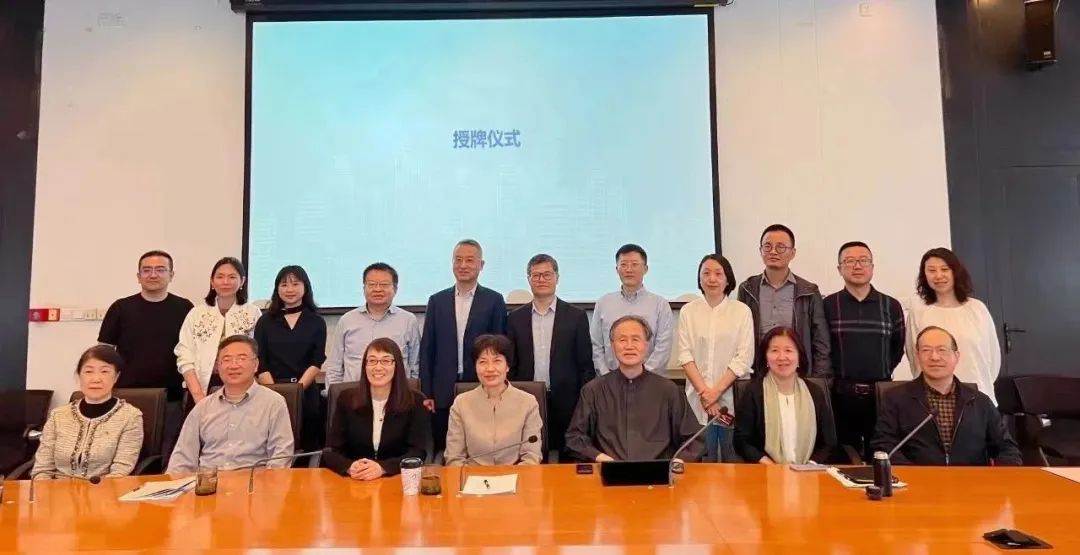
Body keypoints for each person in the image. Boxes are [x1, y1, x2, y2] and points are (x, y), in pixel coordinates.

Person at [873, 326, 1020, 466]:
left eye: (942, 350)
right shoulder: (896, 399)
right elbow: (884, 446)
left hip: (971, 481)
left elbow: (1007, 449)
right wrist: (914, 475)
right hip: (916, 480)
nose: (934, 357)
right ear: (917, 356)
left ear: (956, 356)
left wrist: (1001, 477)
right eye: (926, 350)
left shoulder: (980, 402)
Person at [566, 316, 703, 462]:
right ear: (612, 346)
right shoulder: (593, 391)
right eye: (622, 340)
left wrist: (678, 462)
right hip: (609, 471)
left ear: (646, 345)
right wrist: (599, 457)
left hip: (659, 472)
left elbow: (694, 440)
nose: (629, 346)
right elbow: (574, 438)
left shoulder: (669, 390)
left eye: (636, 339)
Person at [98, 250, 192, 460]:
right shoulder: (120, 308)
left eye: (160, 270)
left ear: (171, 275)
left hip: (172, 397)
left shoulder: (185, 308)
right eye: (147, 270)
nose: (153, 275)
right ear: (138, 276)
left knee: (166, 456)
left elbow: (193, 351)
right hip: (126, 395)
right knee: (125, 455)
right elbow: (104, 352)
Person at [420, 239, 508, 457]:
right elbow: (427, 349)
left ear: (481, 265)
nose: (463, 265)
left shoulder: (494, 300)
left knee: (479, 448)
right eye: (458, 260)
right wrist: (427, 392)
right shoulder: (437, 301)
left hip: (481, 385)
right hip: (442, 389)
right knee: (446, 449)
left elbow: (500, 349)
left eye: (469, 260)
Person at [506, 254, 595, 459]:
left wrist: (584, 403)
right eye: (536, 275)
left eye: (547, 274)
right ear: (528, 279)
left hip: (568, 400)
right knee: (530, 454)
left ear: (557, 277)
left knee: (567, 456)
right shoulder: (515, 318)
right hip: (527, 397)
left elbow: (585, 365)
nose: (541, 279)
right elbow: (511, 364)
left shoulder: (576, 316)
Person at [823, 242, 906, 461]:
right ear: (839, 268)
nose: (857, 266)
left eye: (863, 260)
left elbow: (897, 348)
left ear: (872, 267)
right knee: (842, 458)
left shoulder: (891, 305)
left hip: (880, 396)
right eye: (849, 261)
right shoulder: (828, 305)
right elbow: (822, 348)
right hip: (839, 396)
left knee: (880, 457)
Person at [167, 335, 294, 474]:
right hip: (209, 484)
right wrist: (173, 485)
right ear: (218, 366)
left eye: (241, 359)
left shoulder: (274, 403)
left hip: (253, 484)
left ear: (256, 364)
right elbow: (182, 459)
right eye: (226, 360)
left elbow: (281, 458)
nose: (234, 365)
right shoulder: (203, 407)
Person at [676, 254, 754, 462]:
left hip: (730, 399)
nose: (712, 279)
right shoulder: (688, 311)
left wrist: (715, 392)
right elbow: (685, 355)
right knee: (701, 458)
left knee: (730, 458)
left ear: (728, 279)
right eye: (706, 273)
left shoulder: (741, 311)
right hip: (697, 399)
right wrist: (705, 394)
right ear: (699, 278)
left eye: (718, 274)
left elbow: (744, 357)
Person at [323, 338, 431, 479]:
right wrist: (349, 466)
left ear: (397, 365)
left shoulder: (415, 401)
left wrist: (383, 468)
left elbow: (418, 452)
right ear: (365, 366)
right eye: (372, 361)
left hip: (395, 480)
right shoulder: (346, 399)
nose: (378, 367)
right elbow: (331, 451)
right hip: (355, 481)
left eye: (386, 361)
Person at [906, 248, 1001, 404]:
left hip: (977, 394)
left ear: (955, 272)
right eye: (931, 270)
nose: (938, 276)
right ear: (924, 275)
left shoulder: (977, 309)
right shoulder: (919, 311)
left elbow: (993, 356)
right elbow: (914, 356)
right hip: (932, 398)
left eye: (944, 269)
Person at [32, 345, 144, 478]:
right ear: (79, 376)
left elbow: (120, 472)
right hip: (57, 488)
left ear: (116, 377)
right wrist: (45, 488)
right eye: (89, 371)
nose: (96, 379)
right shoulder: (58, 416)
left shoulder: (130, 416)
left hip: (104, 488)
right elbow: (42, 469)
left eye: (104, 371)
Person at [737, 224, 831, 377]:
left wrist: (819, 381)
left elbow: (821, 342)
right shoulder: (747, 289)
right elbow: (739, 338)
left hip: (797, 375)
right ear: (760, 251)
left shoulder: (809, 291)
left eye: (780, 247)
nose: (773, 251)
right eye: (767, 246)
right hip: (758, 375)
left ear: (792, 253)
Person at [733, 327, 837, 464]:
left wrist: (809, 466)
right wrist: (767, 464)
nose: (782, 357)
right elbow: (741, 441)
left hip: (809, 472)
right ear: (766, 357)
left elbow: (829, 443)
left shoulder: (815, 393)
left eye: (788, 350)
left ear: (799, 357)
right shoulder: (753, 392)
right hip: (766, 472)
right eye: (774, 350)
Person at [254, 265, 327, 451]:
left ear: (305, 287)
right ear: (277, 288)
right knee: (272, 444)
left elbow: (316, 361)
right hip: (270, 391)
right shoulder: (265, 321)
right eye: (284, 285)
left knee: (307, 445)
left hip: (305, 392)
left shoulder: (316, 321)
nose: (290, 289)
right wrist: (275, 392)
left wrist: (297, 390)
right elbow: (260, 362)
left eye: (295, 284)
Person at [175, 257, 263, 407]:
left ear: (242, 281)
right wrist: (198, 396)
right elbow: (185, 355)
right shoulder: (196, 313)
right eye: (220, 277)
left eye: (232, 277)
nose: (225, 282)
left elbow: (257, 354)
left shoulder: (253, 313)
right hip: (201, 388)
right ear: (212, 281)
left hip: (243, 389)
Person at [445, 335, 543, 465]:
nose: (490, 369)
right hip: (472, 475)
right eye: (483, 362)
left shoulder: (528, 402)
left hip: (516, 474)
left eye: (497, 361)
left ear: (507, 366)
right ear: (475, 367)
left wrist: (517, 476)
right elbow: (454, 457)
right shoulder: (461, 403)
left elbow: (531, 456)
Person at [325, 262, 420, 384]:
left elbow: (415, 366)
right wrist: (334, 393)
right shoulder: (347, 320)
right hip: (353, 392)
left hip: (396, 393)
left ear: (395, 289)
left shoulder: (408, 320)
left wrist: (410, 392)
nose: (377, 289)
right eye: (372, 284)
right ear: (364, 288)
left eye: (384, 285)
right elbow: (335, 367)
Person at [591, 244, 675, 375]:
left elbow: (663, 348)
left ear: (645, 269)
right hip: (609, 380)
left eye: (635, 264)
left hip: (650, 380)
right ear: (617, 269)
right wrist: (607, 377)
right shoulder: (603, 303)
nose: (629, 269)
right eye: (624, 265)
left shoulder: (660, 305)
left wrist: (642, 376)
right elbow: (596, 346)